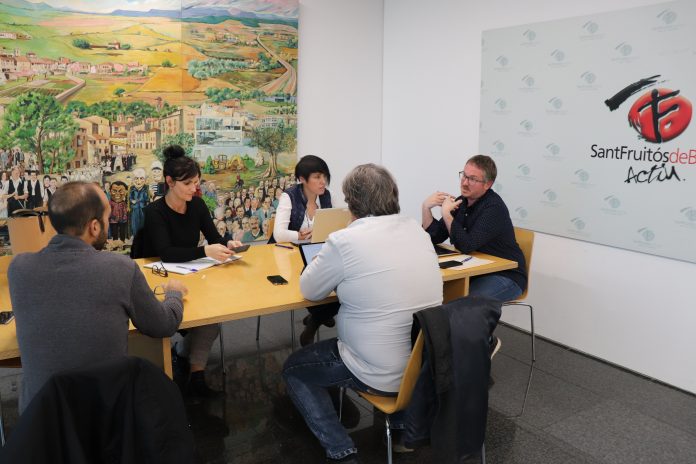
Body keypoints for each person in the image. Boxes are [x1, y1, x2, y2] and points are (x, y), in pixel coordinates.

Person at [283, 164, 442, 464]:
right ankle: (401, 433)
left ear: (352, 203)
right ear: (393, 196)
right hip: (421, 364)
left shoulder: (345, 240)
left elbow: (311, 289)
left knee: (294, 369)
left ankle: (341, 450)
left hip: (373, 369)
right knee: (395, 325)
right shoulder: (417, 232)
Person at [8, 181, 186, 413]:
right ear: (94, 227)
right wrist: (173, 292)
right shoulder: (120, 268)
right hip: (107, 417)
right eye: (107, 218)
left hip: (40, 424)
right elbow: (163, 325)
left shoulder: (18, 268)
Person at [140, 145, 242, 397]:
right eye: (187, 183)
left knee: (210, 319)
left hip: (189, 273)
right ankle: (176, 361)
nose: (194, 188)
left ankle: (196, 373)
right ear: (169, 182)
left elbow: (214, 236)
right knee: (175, 319)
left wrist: (227, 243)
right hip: (157, 277)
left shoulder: (196, 206)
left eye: (196, 182)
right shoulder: (154, 212)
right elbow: (166, 252)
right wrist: (205, 252)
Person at [422, 154, 526, 301]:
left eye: (472, 179)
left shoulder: (493, 208)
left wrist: (446, 213)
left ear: (487, 184)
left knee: (463, 303)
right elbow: (434, 237)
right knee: (432, 293)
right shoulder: (461, 201)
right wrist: (426, 208)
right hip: (475, 271)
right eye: (464, 175)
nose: (464, 183)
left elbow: (466, 245)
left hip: (506, 275)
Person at [270, 155, 337, 345]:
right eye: (317, 177)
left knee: (341, 280)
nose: (323, 181)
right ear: (302, 179)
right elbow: (279, 234)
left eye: (324, 176)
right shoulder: (289, 196)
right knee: (316, 280)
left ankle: (315, 320)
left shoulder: (326, 196)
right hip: (289, 253)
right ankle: (319, 316)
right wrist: (299, 236)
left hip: (316, 251)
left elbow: (331, 224)